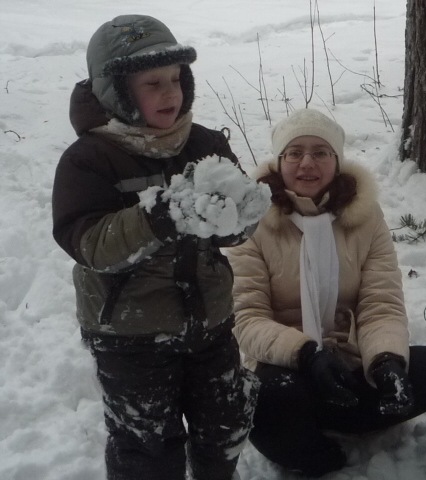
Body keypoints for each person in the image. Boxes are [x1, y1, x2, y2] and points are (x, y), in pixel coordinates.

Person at [226, 108, 426, 479]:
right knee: (265, 401)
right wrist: (308, 355)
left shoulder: (364, 216)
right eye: (295, 153)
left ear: (337, 161)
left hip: (356, 373)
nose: (307, 163)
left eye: (320, 152)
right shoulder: (252, 221)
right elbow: (246, 318)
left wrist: (386, 361)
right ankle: (322, 460)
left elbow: (381, 303)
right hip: (291, 380)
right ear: (279, 162)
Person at [51, 15, 268, 480]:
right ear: (116, 92)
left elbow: (228, 233)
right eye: (152, 83)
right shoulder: (89, 159)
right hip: (130, 335)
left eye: (175, 79)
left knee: (224, 424)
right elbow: (90, 243)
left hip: (209, 321)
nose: (170, 93)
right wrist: (159, 216)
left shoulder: (204, 142)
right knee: (147, 447)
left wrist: (241, 216)